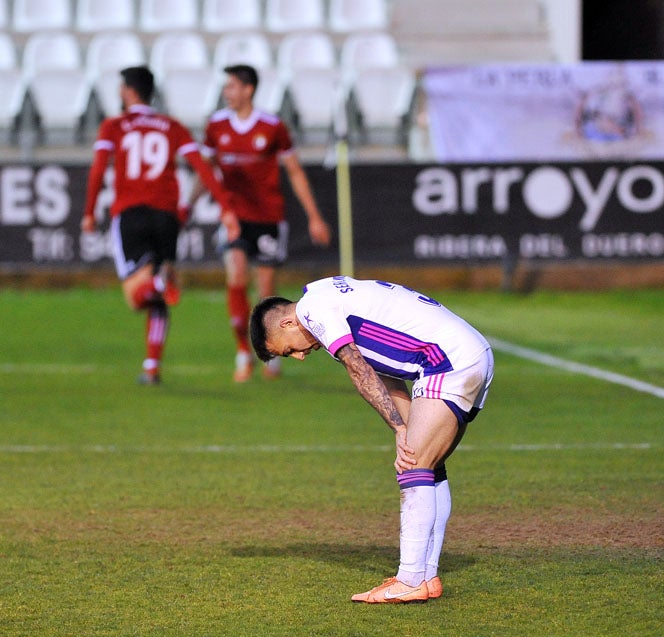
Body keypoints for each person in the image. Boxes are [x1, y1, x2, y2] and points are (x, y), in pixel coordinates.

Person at [249, 276, 494, 603]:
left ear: (288, 323)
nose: (300, 356)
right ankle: (425, 576)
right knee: (427, 464)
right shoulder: (324, 296)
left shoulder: (312, 310)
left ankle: (410, 580)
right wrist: (402, 427)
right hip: (462, 354)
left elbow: (358, 368)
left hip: (448, 361)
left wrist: (400, 430)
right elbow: (384, 370)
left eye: (289, 349)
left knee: (413, 465)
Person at [82, 66, 236, 384]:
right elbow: (202, 168)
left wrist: (89, 211)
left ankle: (156, 286)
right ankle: (152, 366)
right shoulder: (171, 126)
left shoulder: (114, 126)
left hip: (131, 213)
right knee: (159, 296)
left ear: (128, 91)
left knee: (136, 296)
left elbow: (98, 169)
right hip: (166, 217)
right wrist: (226, 208)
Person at [192, 64, 331, 383]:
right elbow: (205, 172)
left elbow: (294, 171)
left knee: (266, 290)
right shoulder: (216, 126)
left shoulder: (272, 127)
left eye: (231, 86)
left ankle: (274, 349)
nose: (226, 92)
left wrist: (314, 216)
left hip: (268, 219)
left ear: (248, 89)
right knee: (237, 275)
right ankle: (243, 352)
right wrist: (187, 205)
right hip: (235, 218)